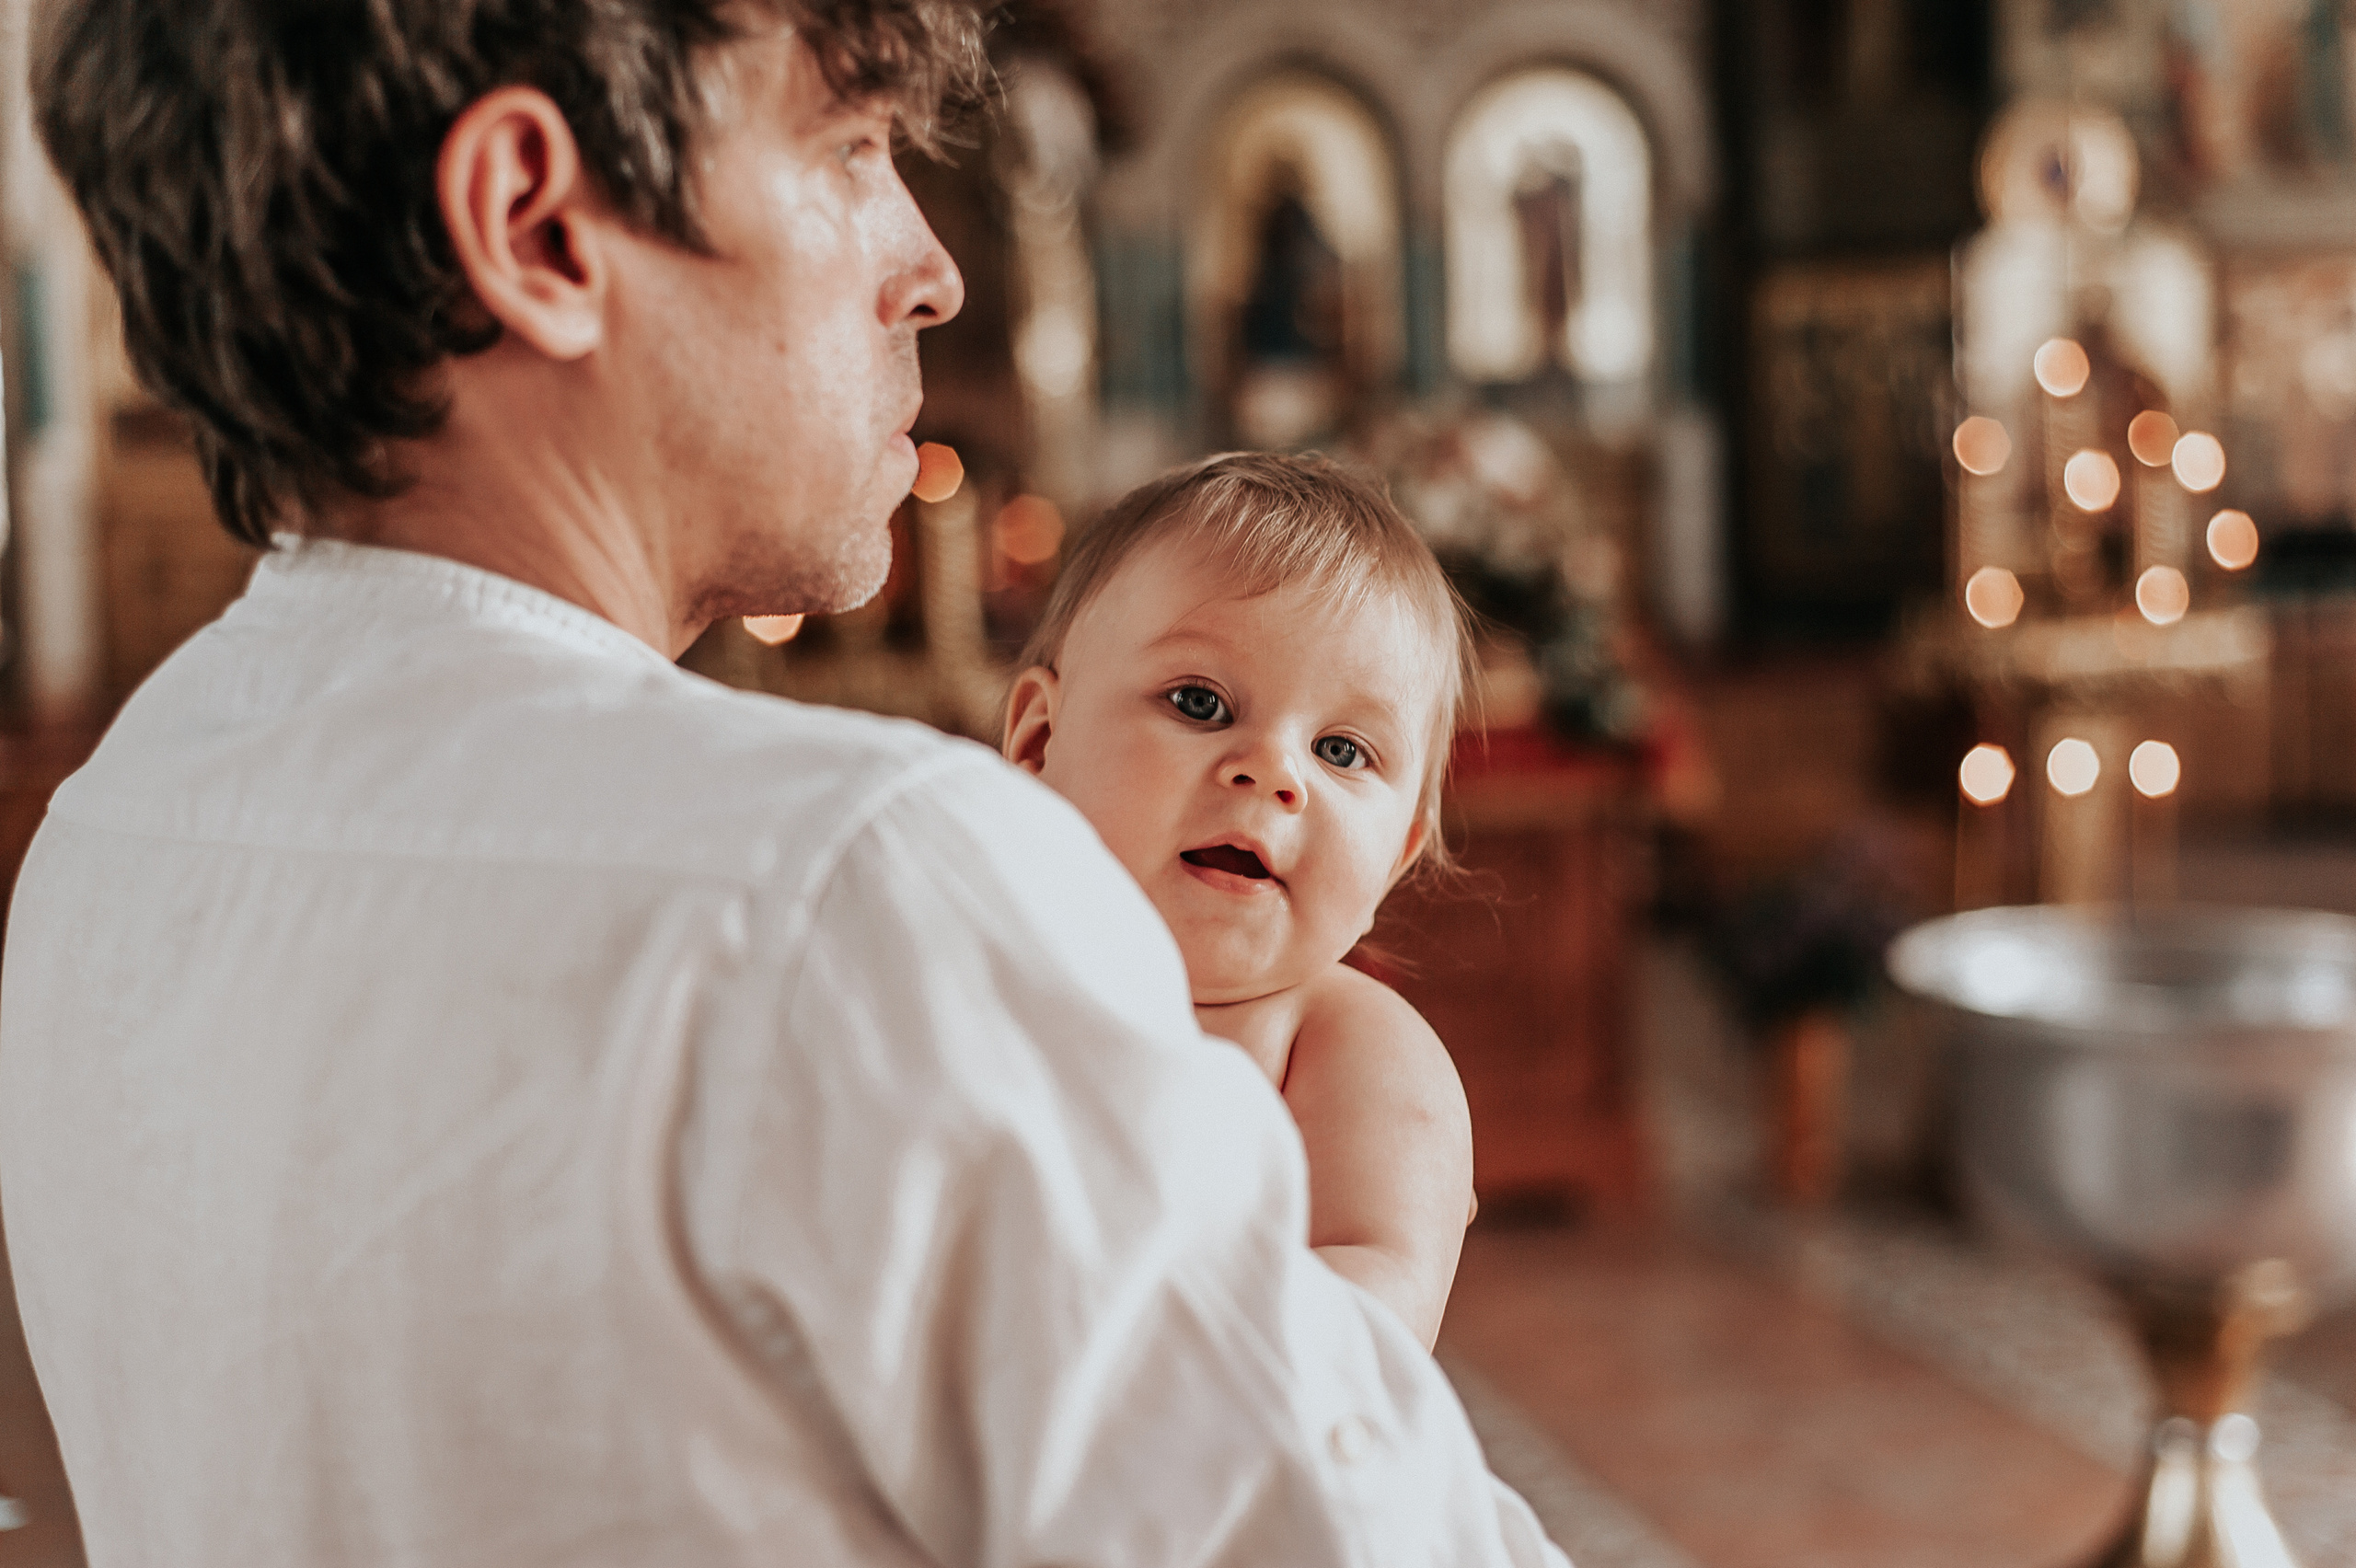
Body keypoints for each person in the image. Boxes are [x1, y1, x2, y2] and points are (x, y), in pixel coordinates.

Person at [0, 3, 1568, 1566]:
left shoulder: (104, 840)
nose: (931, 268)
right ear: (537, 224)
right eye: (852, 146)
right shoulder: (842, 885)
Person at [1003, 452, 1476, 1349]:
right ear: (1037, 741)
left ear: (1396, 859)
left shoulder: (1349, 1049)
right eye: (1200, 701)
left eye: (1341, 752)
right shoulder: (978, 969)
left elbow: (1375, 1315)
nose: (1273, 771)